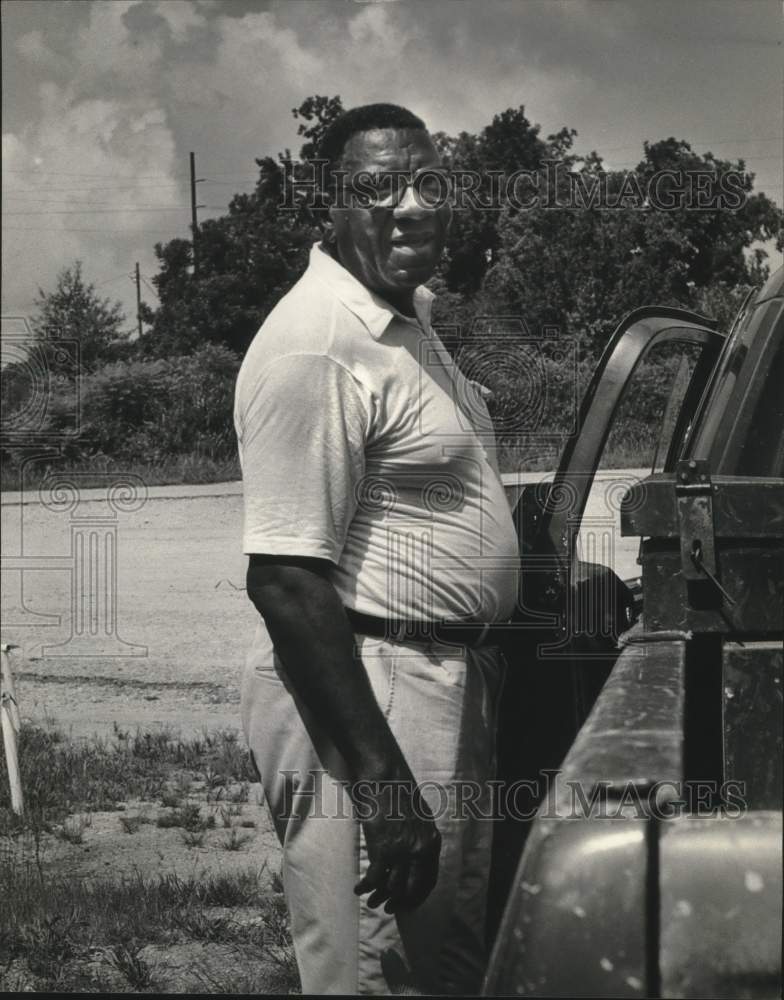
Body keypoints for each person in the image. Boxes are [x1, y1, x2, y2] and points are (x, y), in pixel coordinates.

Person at [234, 103, 519, 995]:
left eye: (429, 182)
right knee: (375, 969)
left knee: (437, 963)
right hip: (374, 688)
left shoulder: (406, 321)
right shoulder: (317, 345)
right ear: (331, 202)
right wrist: (386, 789)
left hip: (434, 679)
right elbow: (285, 579)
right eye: (378, 187)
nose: (411, 206)